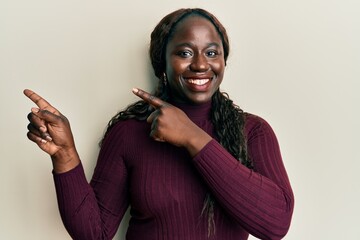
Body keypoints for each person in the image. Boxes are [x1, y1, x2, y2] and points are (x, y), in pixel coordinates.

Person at [25, 8, 294, 240]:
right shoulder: (130, 133)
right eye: (185, 53)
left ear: (223, 60)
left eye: (212, 52)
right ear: (162, 64)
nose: (201, 64)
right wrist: (64, 156)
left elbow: (276, 225)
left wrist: (192, 137)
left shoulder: (253, 132)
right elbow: (95, 234)